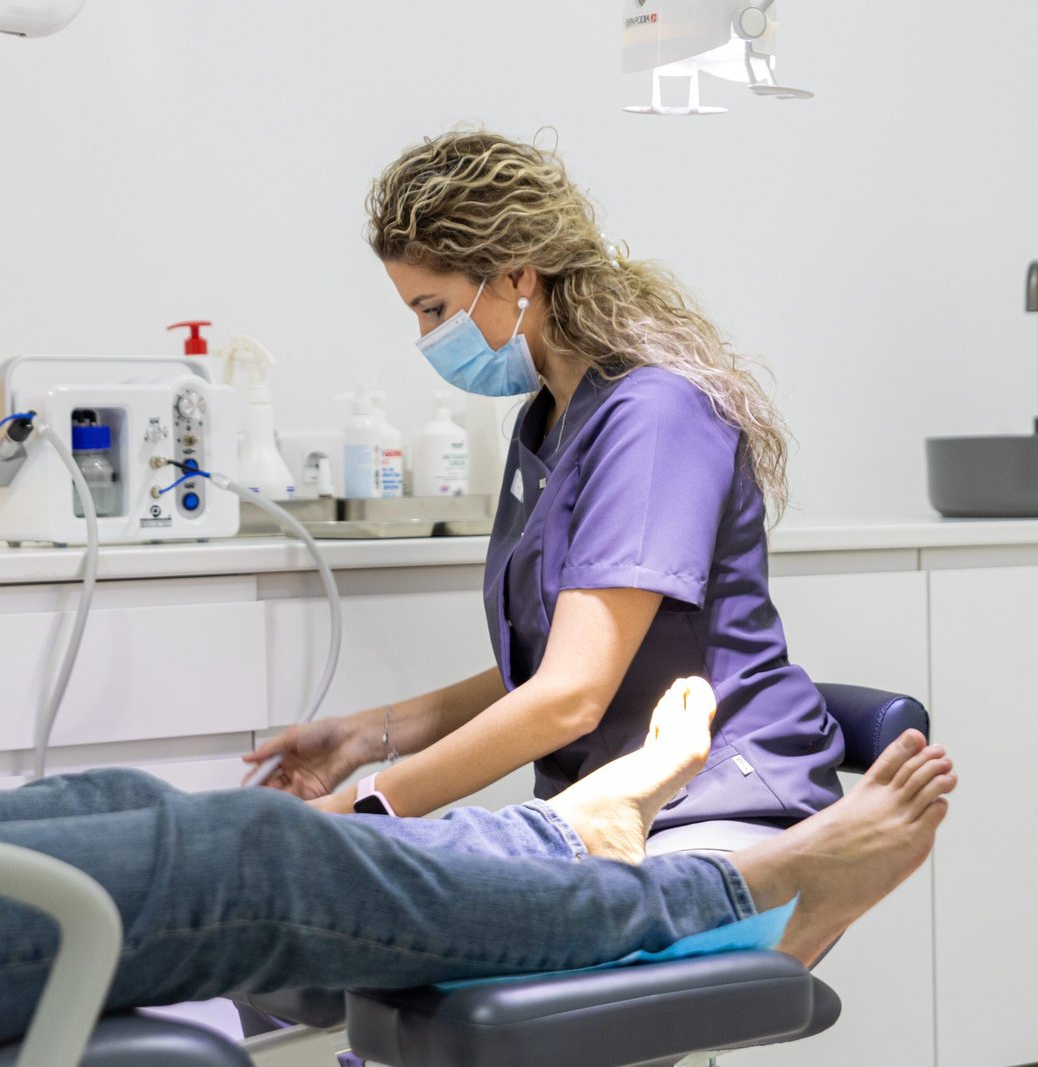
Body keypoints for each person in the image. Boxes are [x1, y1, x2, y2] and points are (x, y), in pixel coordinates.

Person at [0, 681, 958, 1066]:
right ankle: (745, 884)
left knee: (126, 804)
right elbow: (573, 680)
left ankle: (566, 837)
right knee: (242, 857)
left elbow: (562, 675)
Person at [246, 129, 842, 857]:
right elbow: (546, 669)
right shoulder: (550, 420)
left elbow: (571, 693)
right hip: (607, 804)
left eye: (435, 310)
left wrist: (362, 810)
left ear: (518, 277)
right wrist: (366, 737)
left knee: (374, 898)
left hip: (722, 799)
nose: (428, 338)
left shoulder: (654, 416)